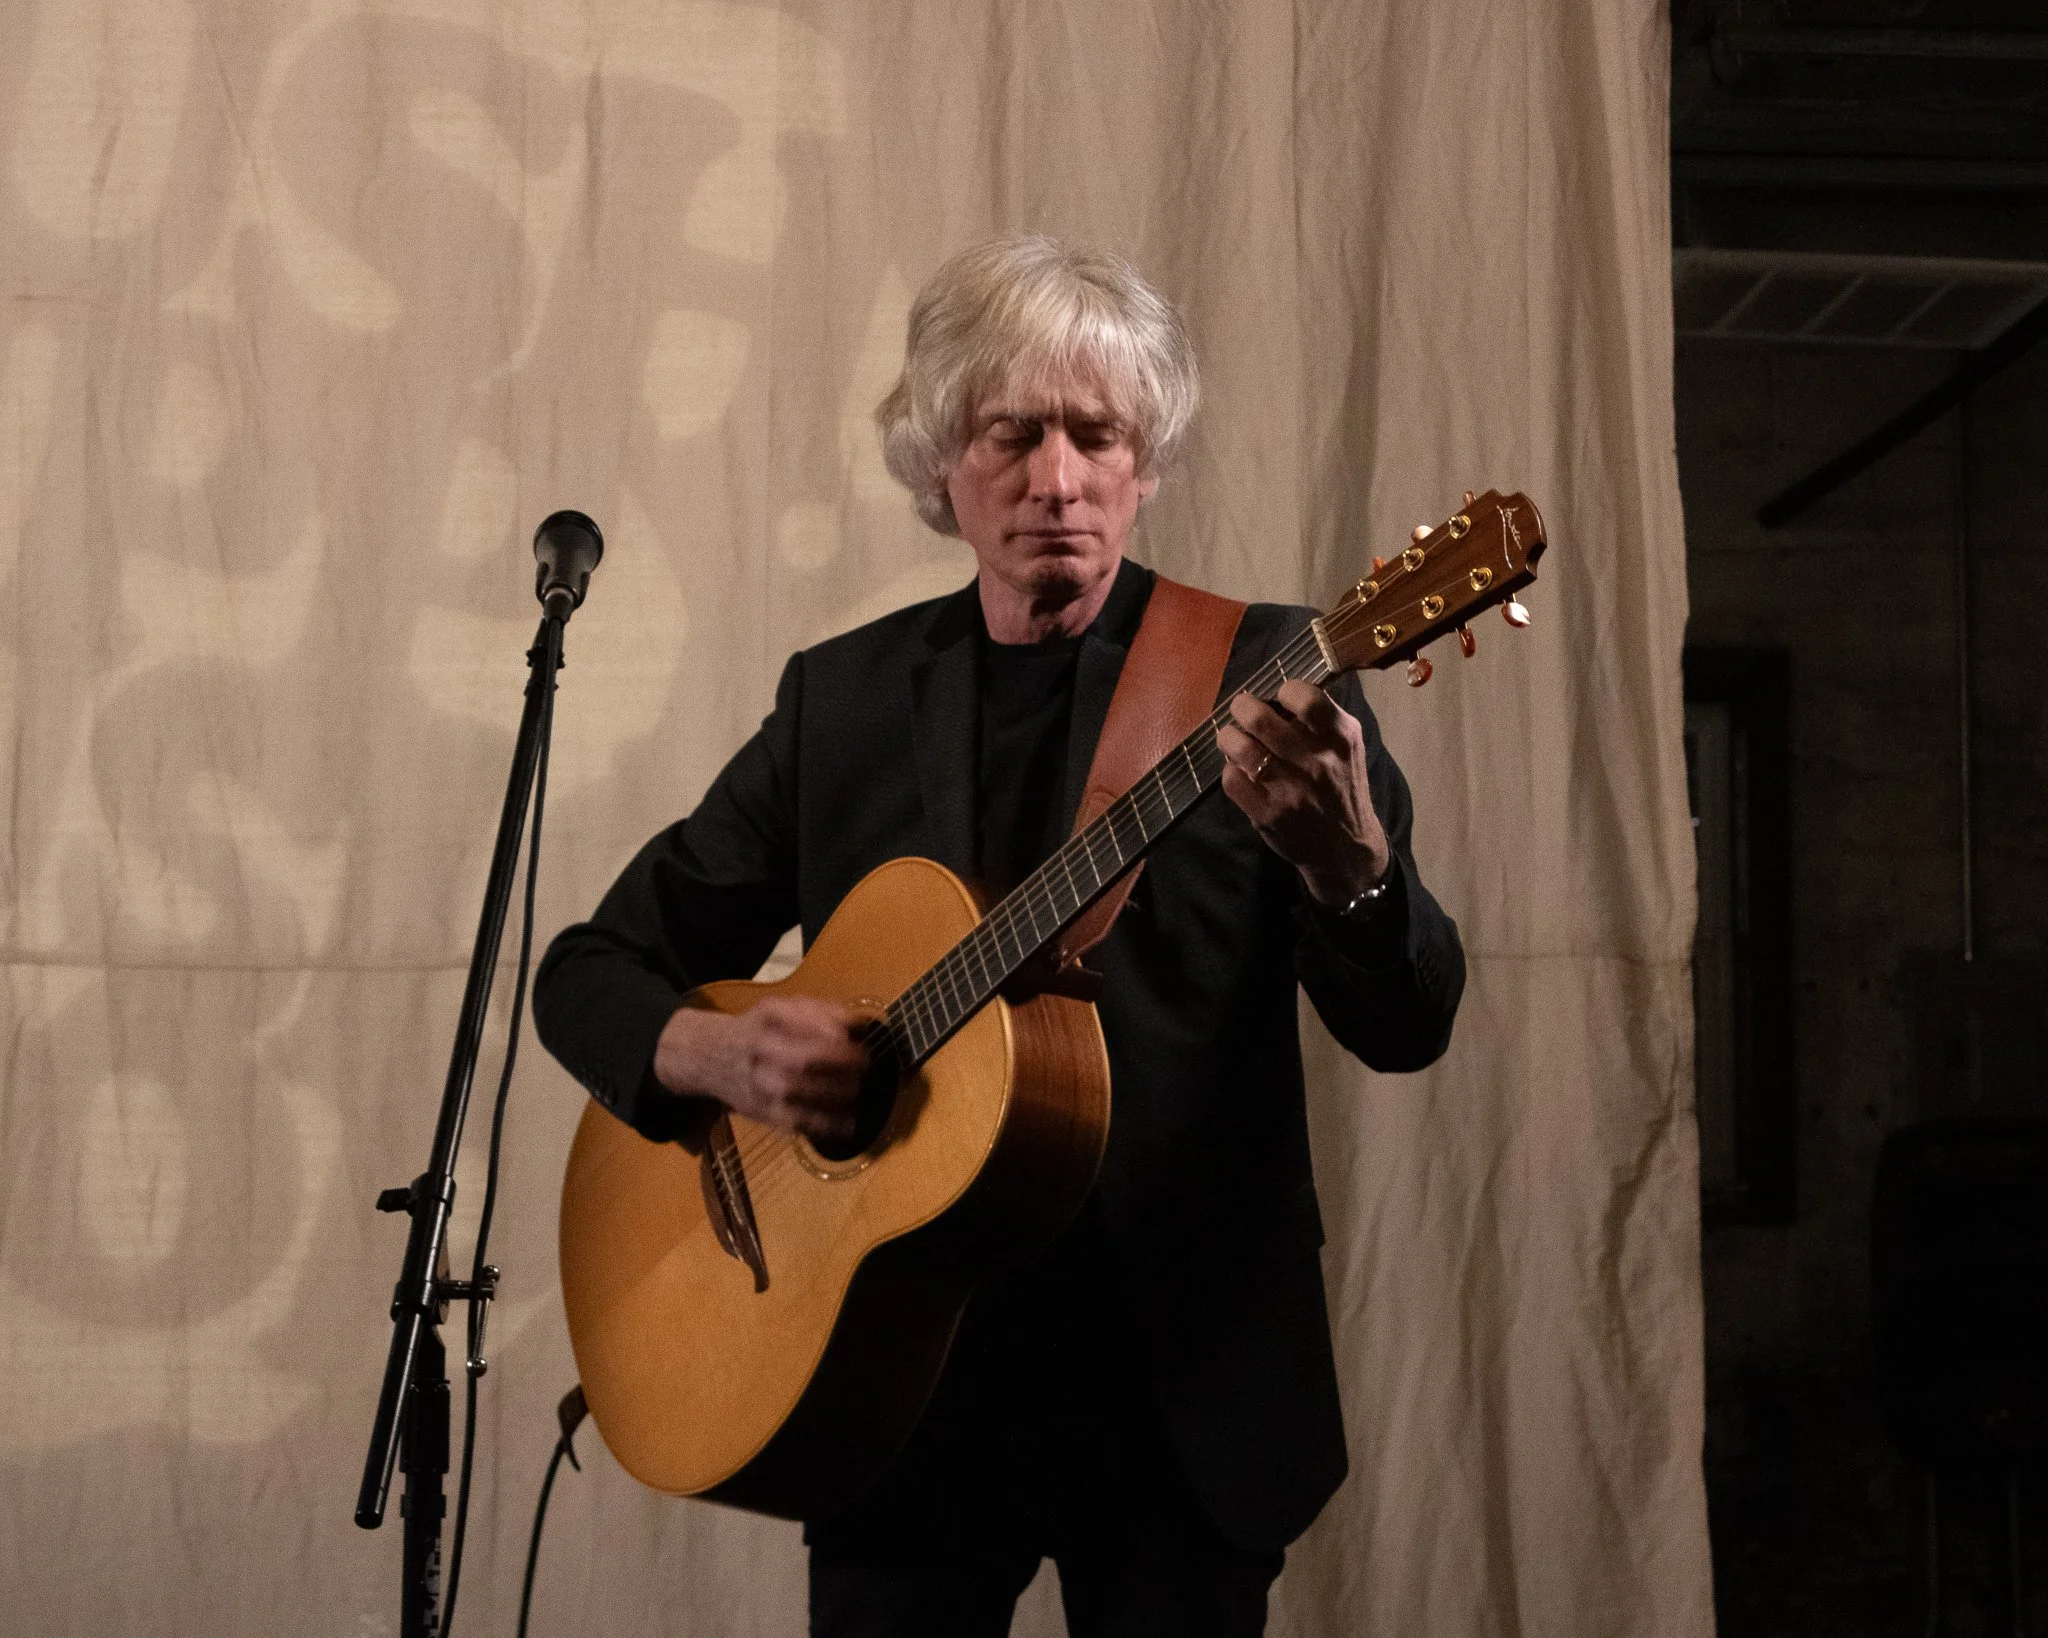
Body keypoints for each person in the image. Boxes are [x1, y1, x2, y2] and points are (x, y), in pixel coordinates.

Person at [533, 235, 1465, 1637]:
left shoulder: (1263, 683)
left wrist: (1358, 872)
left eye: (1098, 435)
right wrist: (716, 1055)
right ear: (938, 466)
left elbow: (1409, 1025)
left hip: (1182, 1399)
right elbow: (586, 973)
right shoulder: (839, 707)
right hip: (894, 1389)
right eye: (1010, 433)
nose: (1057, 478)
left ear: (1146, 464)